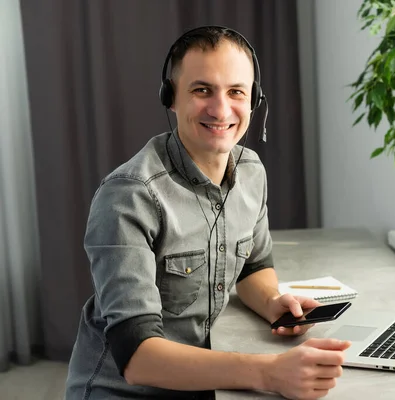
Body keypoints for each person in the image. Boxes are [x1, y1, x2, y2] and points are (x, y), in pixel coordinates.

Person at [65, 26, 351, 400]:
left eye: (236, 92)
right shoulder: (128, 196)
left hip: (206, 384)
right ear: (171, 98)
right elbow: (137, 357)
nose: (220, 109)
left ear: (254, 101)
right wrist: (269, 374)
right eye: (202, 90)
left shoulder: (250, 170)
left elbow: (253, 267)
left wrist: (271, 301)